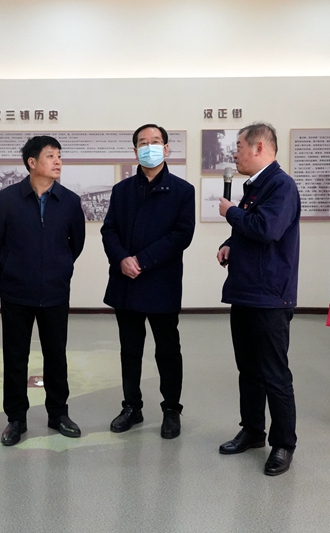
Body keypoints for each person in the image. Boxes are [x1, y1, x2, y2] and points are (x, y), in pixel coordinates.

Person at [0, 135, 86, 446]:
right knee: (16, 357)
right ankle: (16, 419)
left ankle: (58, 413)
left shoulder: (69, 201)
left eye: (59, 156)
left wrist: (58, 266)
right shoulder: (7, 199)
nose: (58, 161)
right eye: (50, 156)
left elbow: (76, 244)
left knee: (56, 355)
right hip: (16, 291)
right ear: (32, 162)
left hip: (55, 291)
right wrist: (16, 264)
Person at [101, 124, 195, 439]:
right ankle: (132, 406)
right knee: (130, 349)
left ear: (166, 148)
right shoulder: (122, 190)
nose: (149, 147)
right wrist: (121, 259)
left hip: (161, 283)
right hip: (126, 282)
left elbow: (182, 235)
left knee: (167, 350)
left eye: (155, 142)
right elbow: (109, 230)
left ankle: (171, 410)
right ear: (135, 151)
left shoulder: (182, 191)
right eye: (143, 143)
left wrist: (142, 260)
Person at [216, 123, 300, 476]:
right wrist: (230, 243)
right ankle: (252, 430)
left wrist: (230, 212)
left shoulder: (281, 185)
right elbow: (250, 228)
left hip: (269, 298)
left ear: (259, 147)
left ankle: (283, 444)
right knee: (248, 370)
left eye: (238, 146)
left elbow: (267, 229)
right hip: (245, 293)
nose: (234, 154)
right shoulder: (255, 186)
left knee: (274, 374)